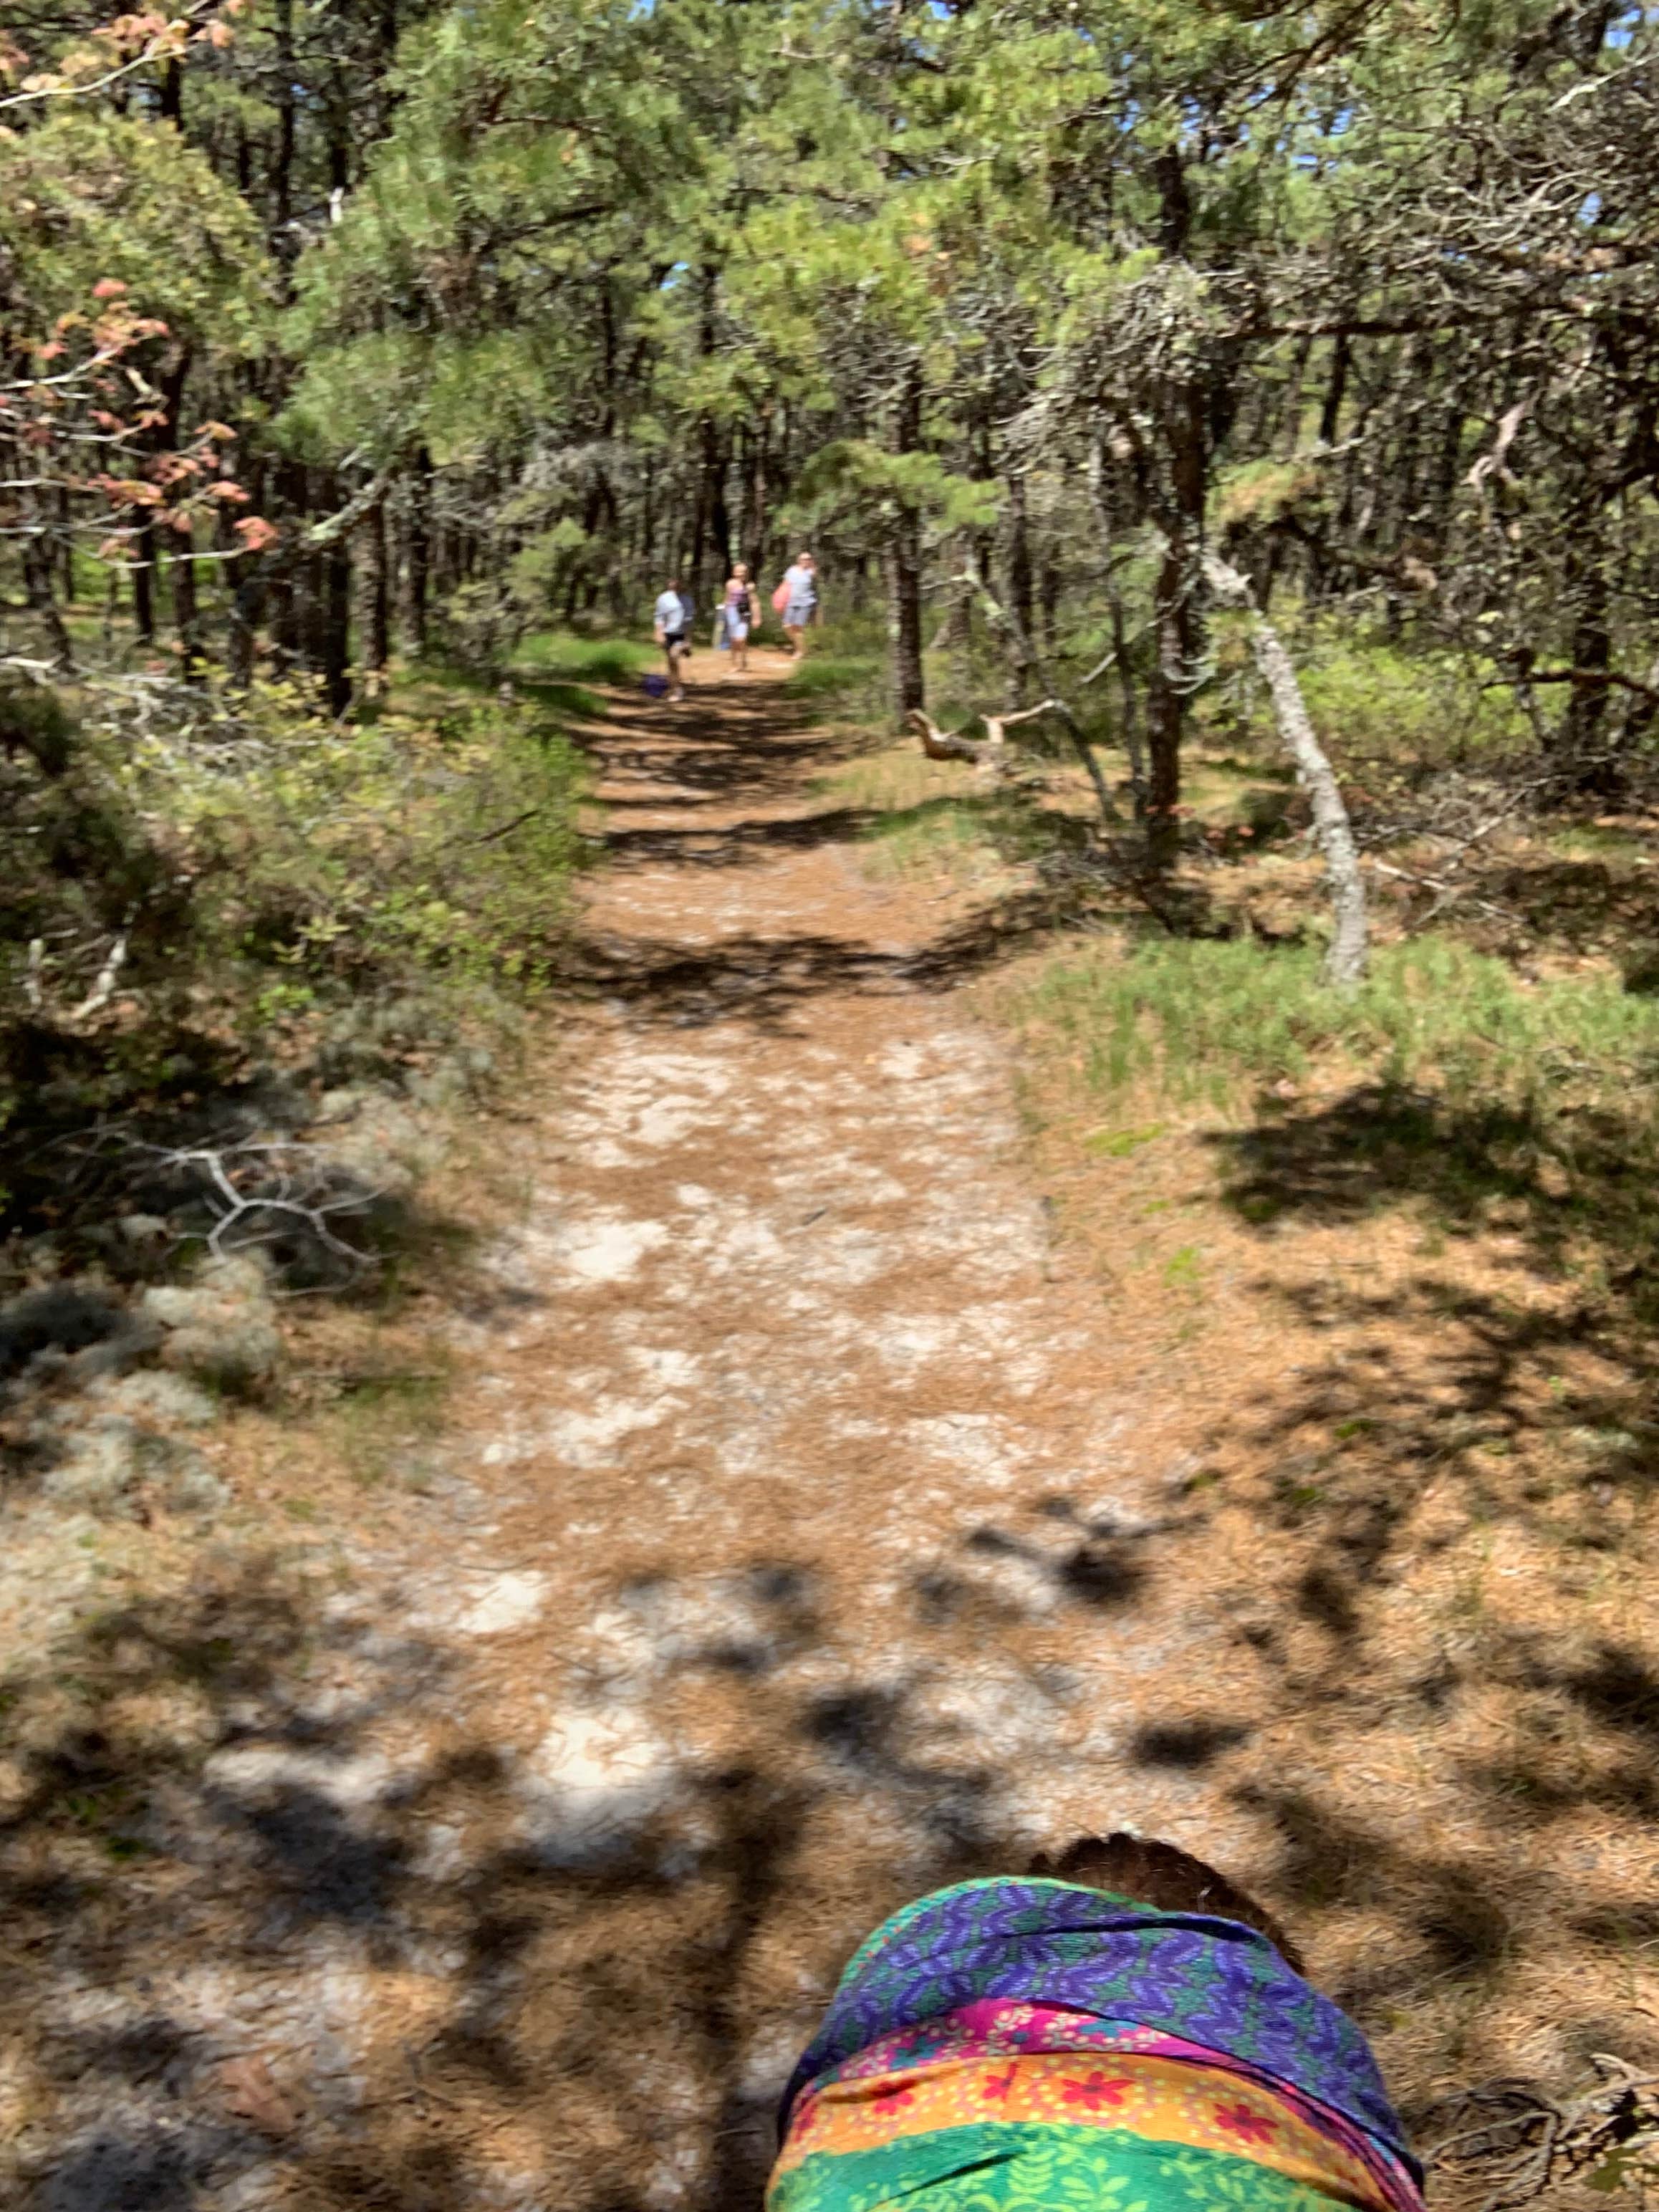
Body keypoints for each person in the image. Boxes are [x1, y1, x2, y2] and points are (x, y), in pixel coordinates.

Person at [653, 577, 692, 701]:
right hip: (668, 633)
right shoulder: (663, 599)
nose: (675, 584)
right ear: (669, 583)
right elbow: (659, 617)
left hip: (680, 634)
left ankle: (677, 691)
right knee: (671, 662)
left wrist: (688, 640)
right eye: (672, 582)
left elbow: (689, 622)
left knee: (674, 657)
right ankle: (674, 687)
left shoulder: (687, 600)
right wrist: (659, 633)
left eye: (678, 582)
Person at [779, 550, 818, 657]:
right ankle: (801, 646)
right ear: (799, 560)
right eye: (804, 559)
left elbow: (815, 573)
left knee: (798, 627)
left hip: (805, 603)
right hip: (791, 601)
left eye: (808, 559)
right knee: (787, 625)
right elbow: (785, 584)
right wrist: (780, 597)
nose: (806, 561)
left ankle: (799, 651)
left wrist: (812, 563)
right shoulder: (792, 570)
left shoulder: (810, 572)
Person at [722, 562, 757, 675]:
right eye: (739, 571)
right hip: (732, 612)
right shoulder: (730, 584)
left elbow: (754, 602)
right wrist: (724, 611)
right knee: (733, 640)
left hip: (744, 613)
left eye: (744, 572)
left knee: (741, 639)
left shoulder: (750, 586)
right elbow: (727, 598)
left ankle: (743, 658)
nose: (741, 574)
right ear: (734, 572)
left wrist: (756, 617)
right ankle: (734, 664)